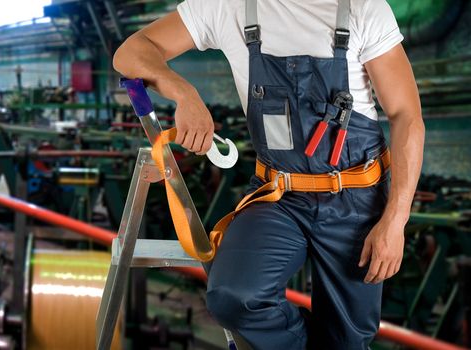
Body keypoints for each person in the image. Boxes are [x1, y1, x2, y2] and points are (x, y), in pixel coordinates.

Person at [112, 0, 424, 348]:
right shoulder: (227, 7)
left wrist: (395, 221)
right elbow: (131, 52)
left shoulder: (362, 8)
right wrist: (185, 94)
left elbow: (406, 116)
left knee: (348, 339)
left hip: (356, 200)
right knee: (234, 296)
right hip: (278, 195)